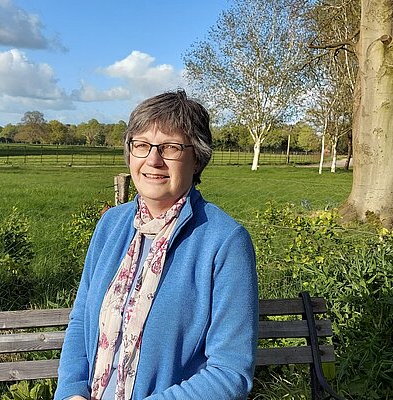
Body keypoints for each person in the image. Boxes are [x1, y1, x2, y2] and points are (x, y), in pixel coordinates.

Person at [54, 89, 258, 400]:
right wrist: (71, 392)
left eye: (171, 147)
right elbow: (81, 316)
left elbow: (230, 372)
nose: (153, 160)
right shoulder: (111, 225)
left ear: (197, 158)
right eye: (142, 145)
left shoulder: (225, 241)